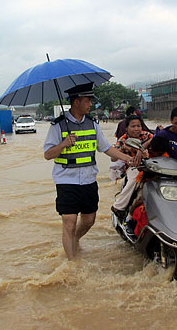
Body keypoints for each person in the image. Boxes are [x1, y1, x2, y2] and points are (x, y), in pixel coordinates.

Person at [44, 83, 134, 260]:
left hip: (88, 181)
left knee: (89, 220)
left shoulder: (93, 124)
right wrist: (63, 144)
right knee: (69, 223)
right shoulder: (57, 126)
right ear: (76, 102)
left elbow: (106, 148)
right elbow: (48, 154)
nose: (90, 104)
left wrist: (128, 159)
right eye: (87, 101)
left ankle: (75, 239)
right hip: (66, 181)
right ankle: (72, 265)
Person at [111, 115, 153, 219]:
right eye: (133, 126)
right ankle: (118, 207)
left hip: (150, 165)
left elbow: (157, 140)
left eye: (138, 126)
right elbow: (113, 158)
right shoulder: (123, 139)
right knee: (134, 178)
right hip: (132, 167)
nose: (136, 129)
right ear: (127, 128)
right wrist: (123, 148)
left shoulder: (147, 136)